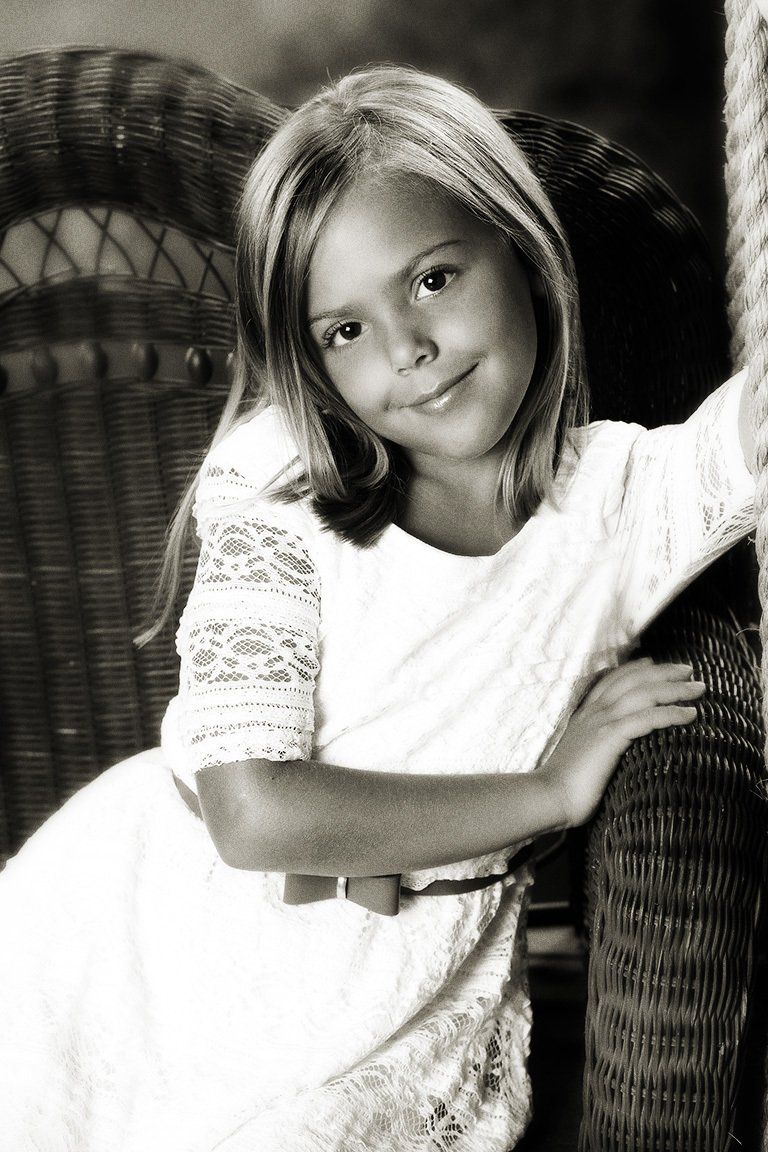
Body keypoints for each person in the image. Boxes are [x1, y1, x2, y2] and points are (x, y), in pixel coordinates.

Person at [0, 64, 757, 1152]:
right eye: (343, 331)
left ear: (521, 247)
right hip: (144, 957)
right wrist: (547, 792)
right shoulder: (280, 493)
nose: (407, 348)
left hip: (400, 998)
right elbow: (251, 813)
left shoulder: (623, 495)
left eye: (434, 279)